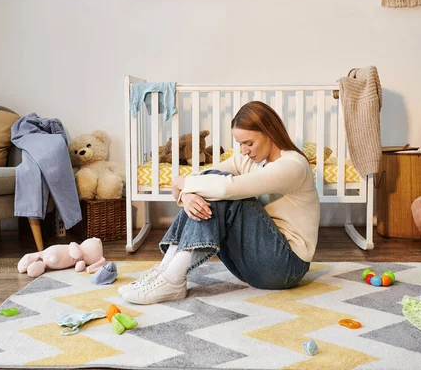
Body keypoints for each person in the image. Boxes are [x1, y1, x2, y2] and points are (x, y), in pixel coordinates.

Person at [118, 101, 320, 305]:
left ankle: (172, 278)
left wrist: (184, 184)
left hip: (286, 267)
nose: (244, 151)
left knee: (225, 191)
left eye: (249, 143)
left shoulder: (293, 166)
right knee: (214, 178)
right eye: (240, 144)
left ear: (270, 132)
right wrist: (186, 195)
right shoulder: (249, 161)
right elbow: (204, 177)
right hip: (250, 266)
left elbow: (226, 189)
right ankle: (165, 272)